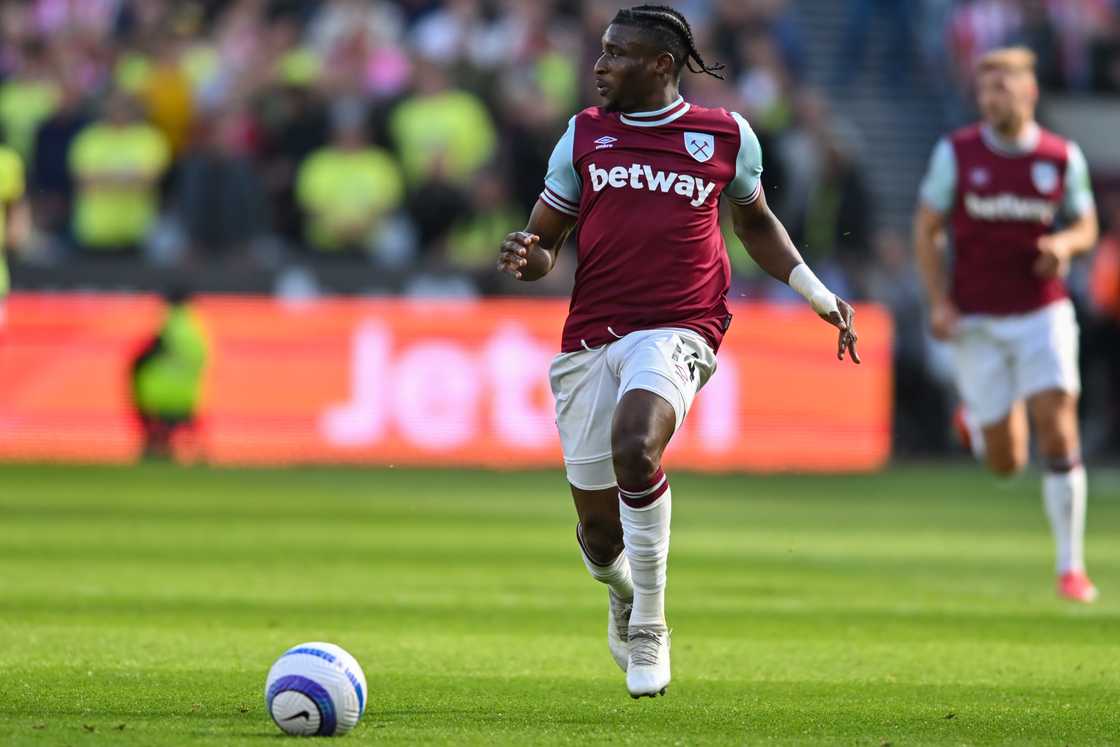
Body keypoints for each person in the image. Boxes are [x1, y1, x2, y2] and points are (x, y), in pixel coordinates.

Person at [496, 4, 859, 699]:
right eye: (600, 52)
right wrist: (528, 255)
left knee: (639, 444)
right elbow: (546, 244)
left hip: (680, 327)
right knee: (601, 539)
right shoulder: (583, 136)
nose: (599, 65)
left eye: (617, 54)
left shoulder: (723, 135)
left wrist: (815, 291)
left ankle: (652, 622)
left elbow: (755, 222)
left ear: (661, 65)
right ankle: (622, 589)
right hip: (591, 336)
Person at [914, 47, 1100, 603]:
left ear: (1029, 92)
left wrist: (1063, 244)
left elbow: (1088, 224)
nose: (992, 99)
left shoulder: (1061, 157)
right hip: (978, 319)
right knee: (1006, 463)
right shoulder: (957, 154)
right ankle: (978, 416)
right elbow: (926, 227)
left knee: (1059, 420)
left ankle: (1072, 567)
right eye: (986, 90)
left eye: (1003, 88)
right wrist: (939, 301)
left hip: (1043, 310)